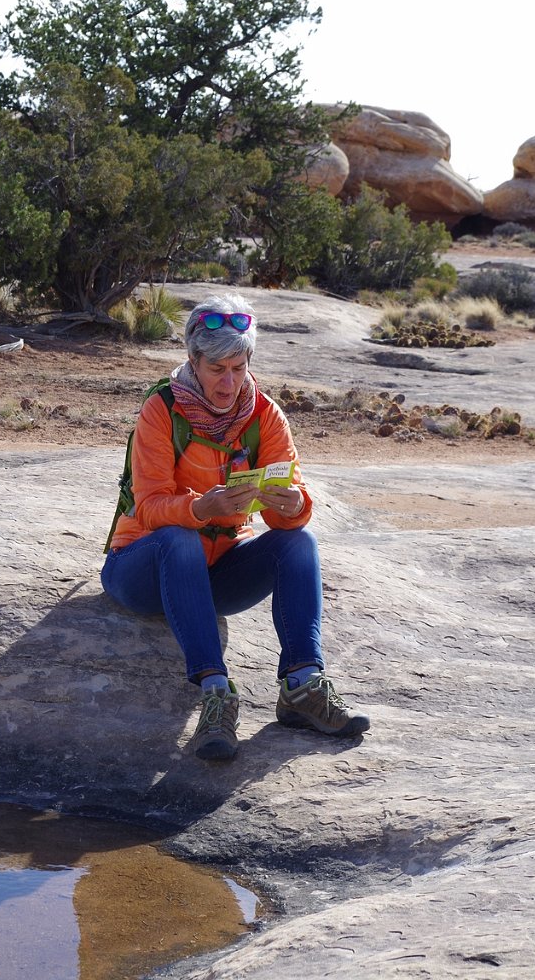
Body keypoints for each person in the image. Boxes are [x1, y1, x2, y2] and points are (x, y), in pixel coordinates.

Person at [101, 294, 370, 760]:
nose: (229, 382)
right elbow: (148, 507)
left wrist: (291, 505)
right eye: (217, 368)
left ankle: (302, 685)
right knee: (180, 538)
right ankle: (216, 693)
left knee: (298, 541)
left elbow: (292, 507)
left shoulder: (265, 415)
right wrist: (201, 509)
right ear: (193, 360)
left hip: (218, 575)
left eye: (238, 367)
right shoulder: (161, 410)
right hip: (140, 568)